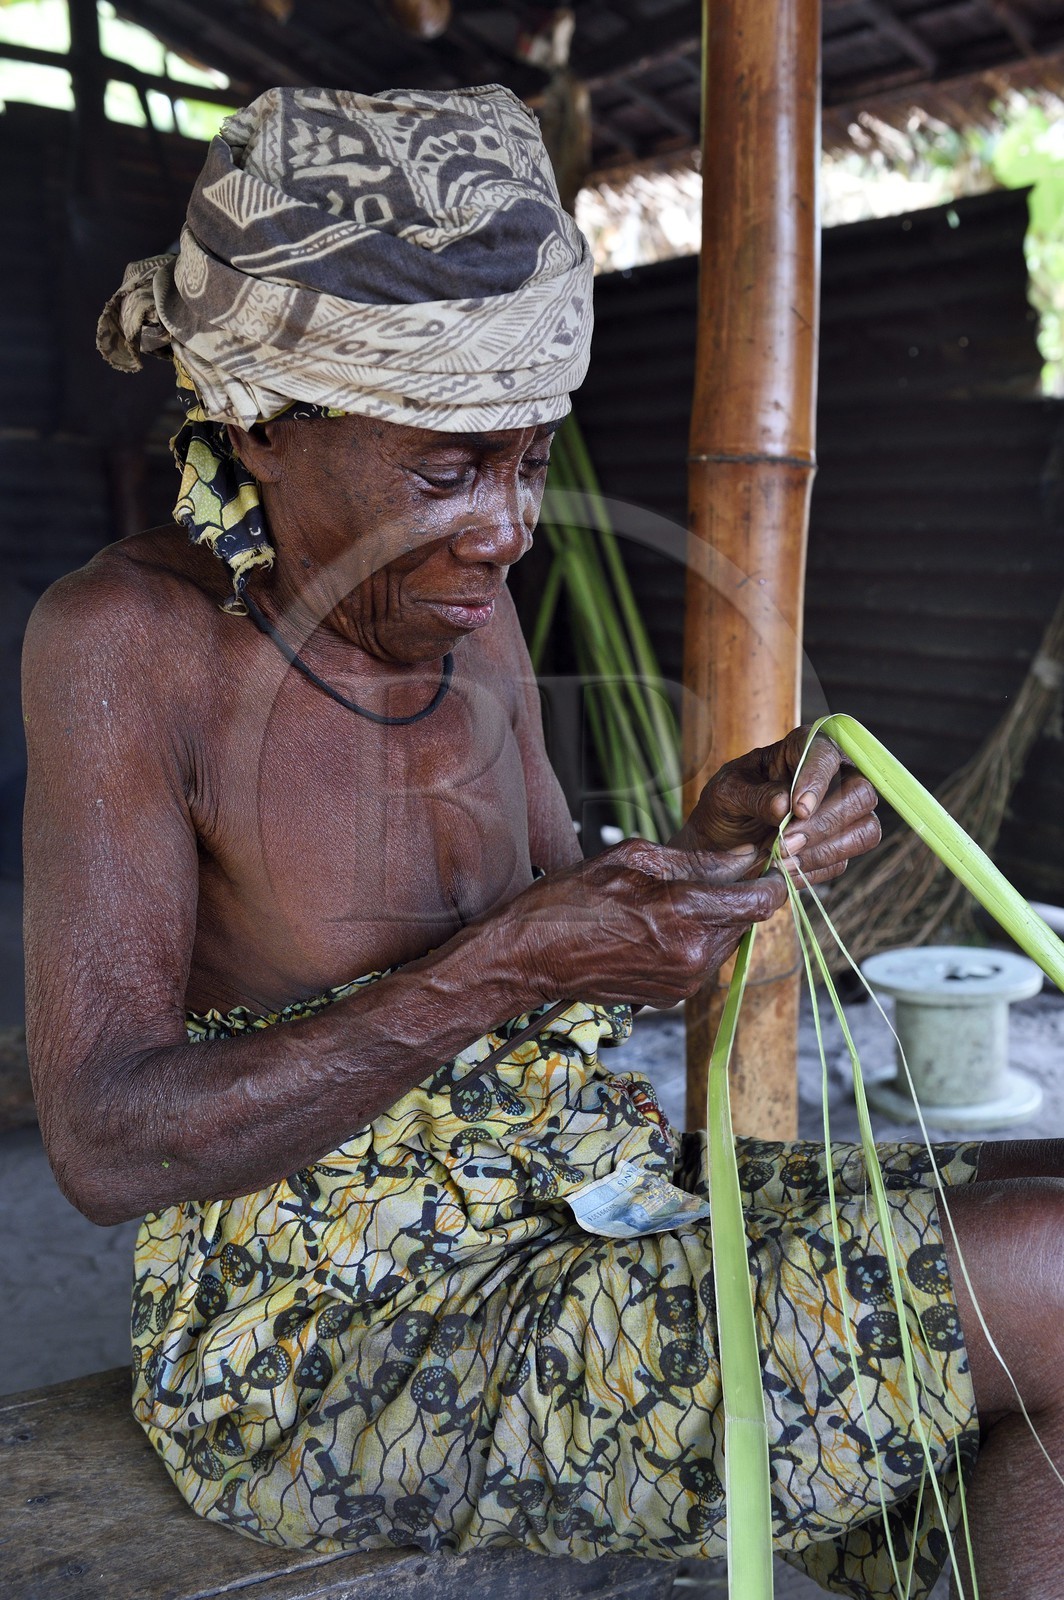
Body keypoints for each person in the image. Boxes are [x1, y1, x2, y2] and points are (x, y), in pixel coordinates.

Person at [21, 84, 1063, 1600]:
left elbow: (561, 955)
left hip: (587, 1213)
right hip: (338, 1351)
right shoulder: (129, 646)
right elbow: (106, 1144)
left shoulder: (468, 600)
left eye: (529, 460)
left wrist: (700, 858)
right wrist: (501, 968)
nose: (507, 528)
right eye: (449, 472)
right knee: (1041, 1271)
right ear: (260, 420)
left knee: (1038, 1242)